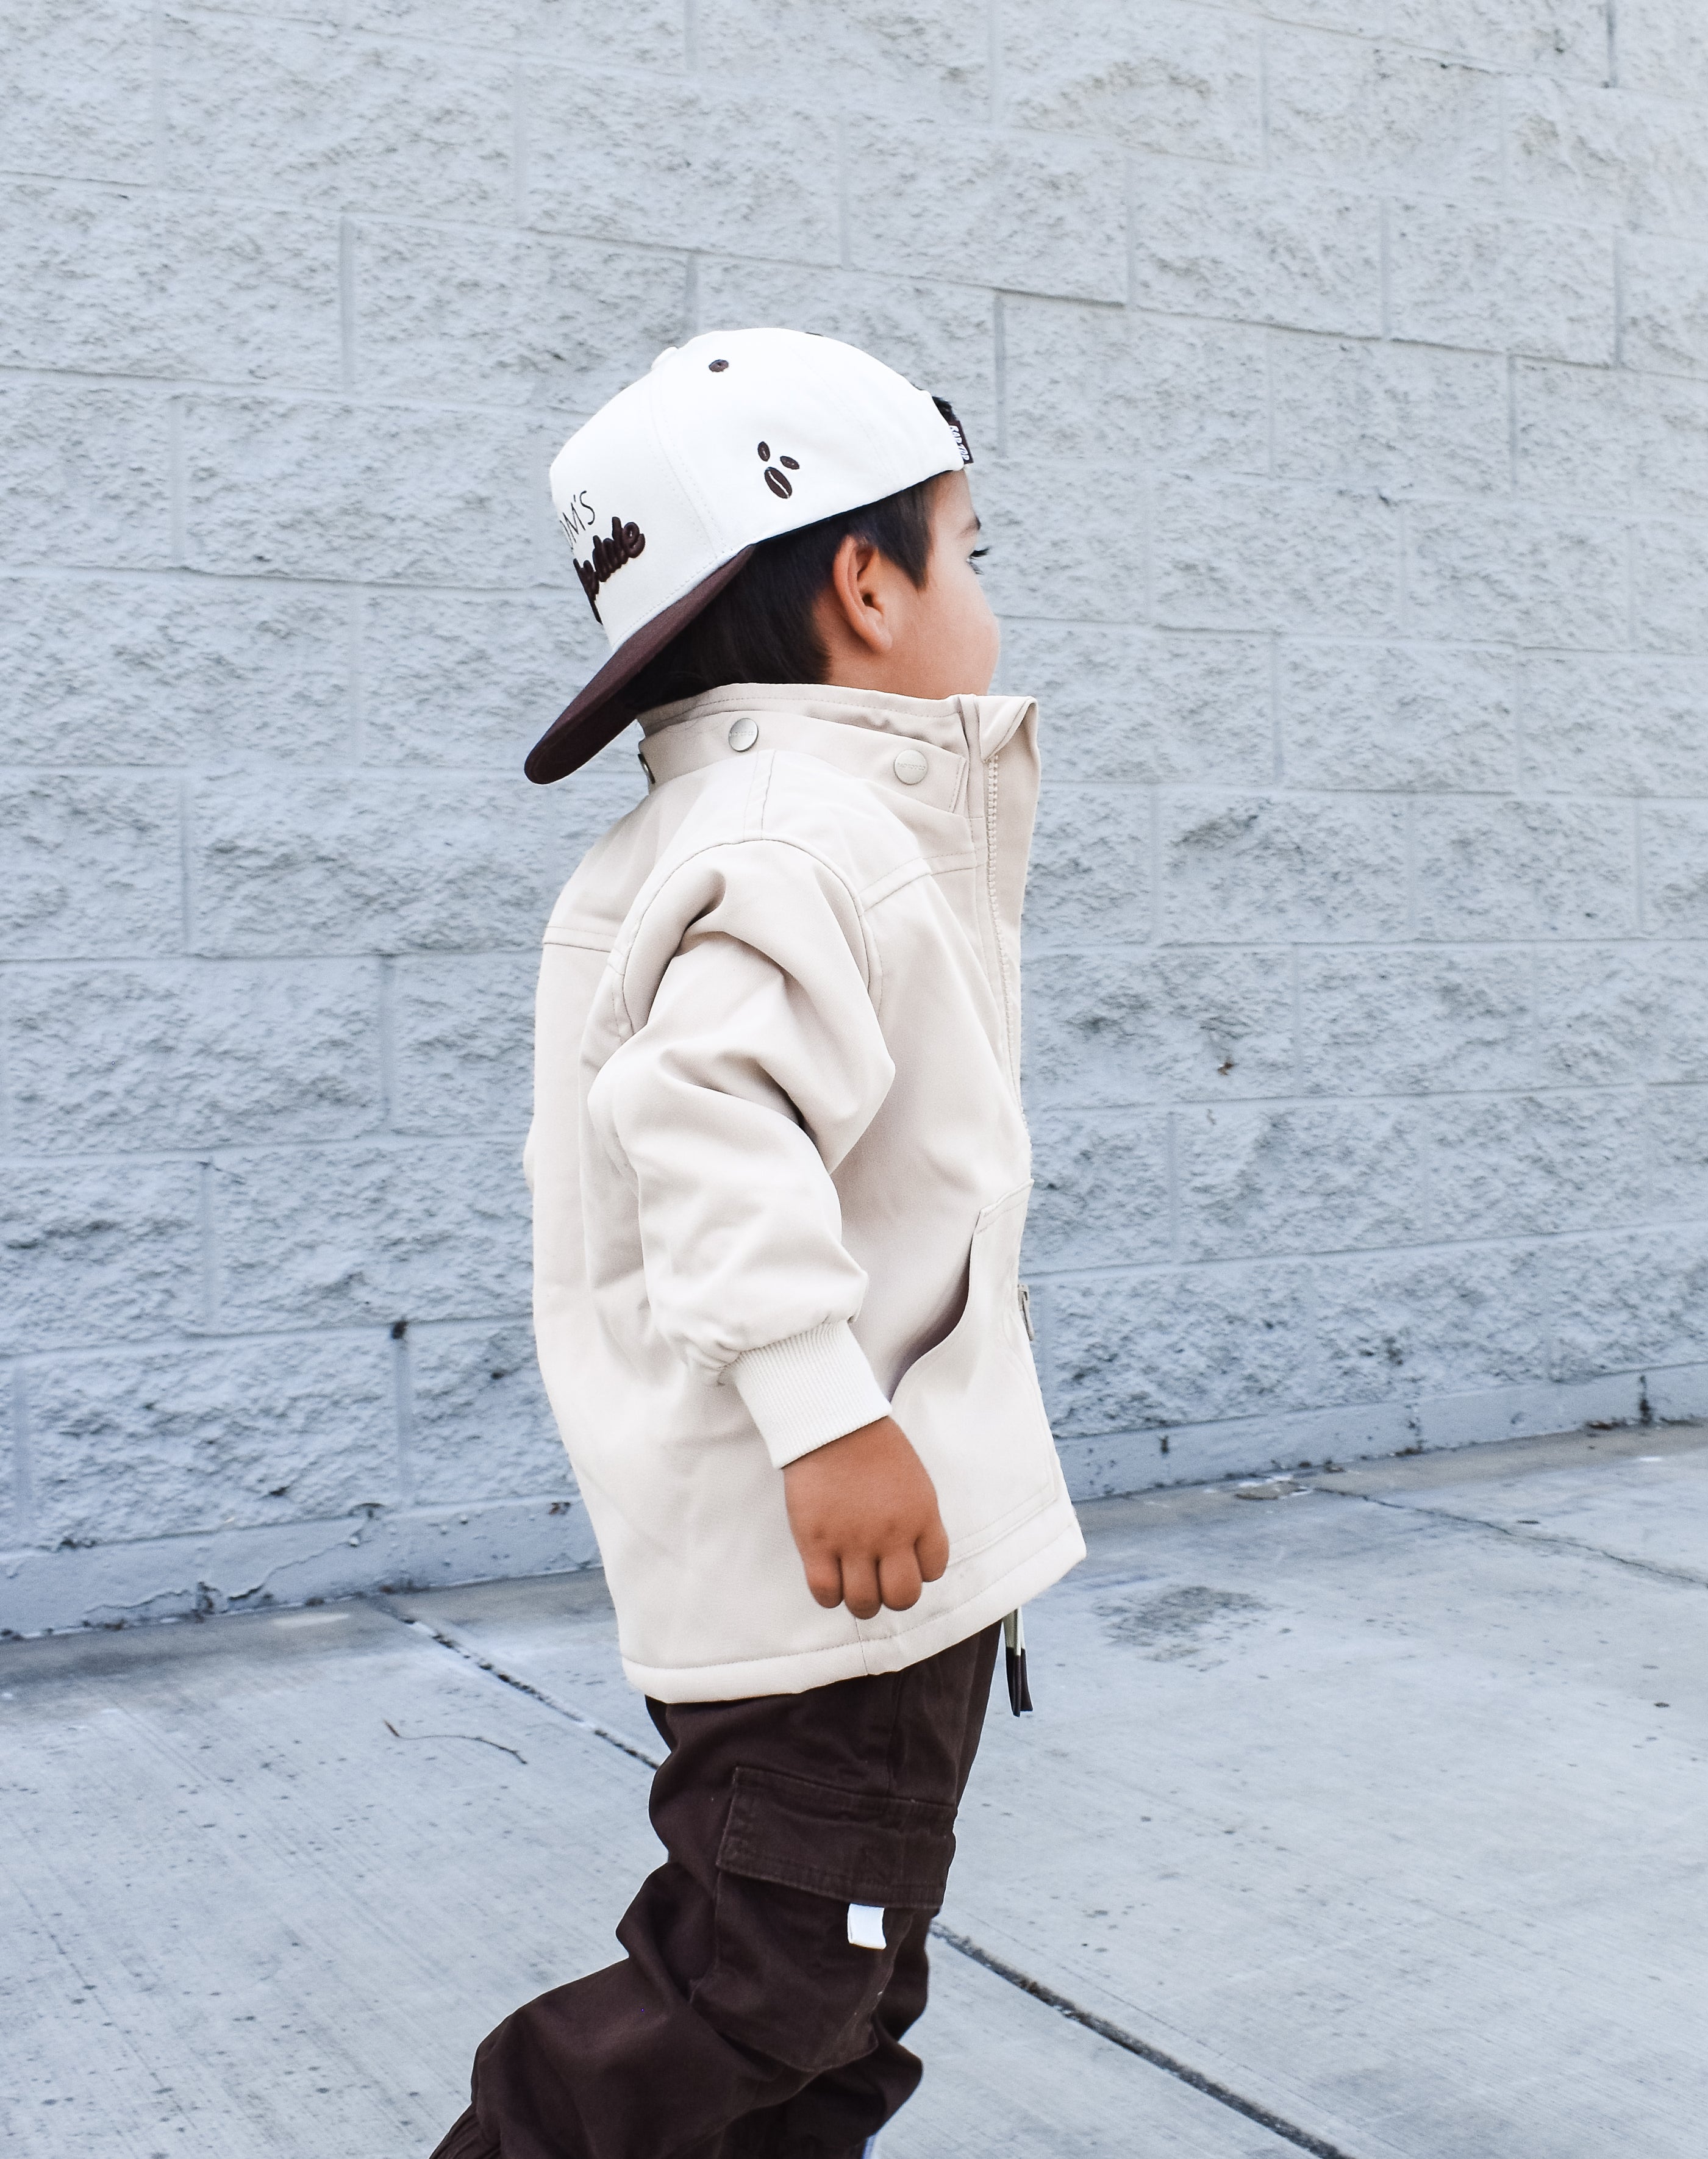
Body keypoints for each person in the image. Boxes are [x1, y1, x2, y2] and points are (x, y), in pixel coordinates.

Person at [430, 328, 1084, 2159]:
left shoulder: (742, 819)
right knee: (764, 1982)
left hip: (832, 1563)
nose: (981, 586)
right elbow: (701, 1120)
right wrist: (827, 1407)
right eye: (968, 547)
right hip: (830, 1579)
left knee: (842, 1995)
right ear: (865, 587)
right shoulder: (808, 830)